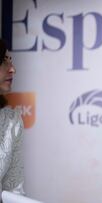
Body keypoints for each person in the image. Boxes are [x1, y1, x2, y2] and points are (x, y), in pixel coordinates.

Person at [0, 39, 25, 201]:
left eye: (11, 62)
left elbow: (13, 192)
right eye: (4, 62)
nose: (12, 70)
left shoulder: (12, 121)